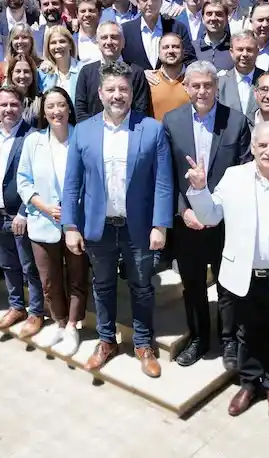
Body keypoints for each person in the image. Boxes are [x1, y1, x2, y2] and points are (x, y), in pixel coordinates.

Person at [186, 120, 269, 426]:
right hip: (242, 275)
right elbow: (209, 215)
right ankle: (248, 384)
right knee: (245, 333)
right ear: (253, 147)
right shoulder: (234, 177)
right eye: (263, 145)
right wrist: (198, 188)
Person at [61, 61, 173, 378]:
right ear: (100, 93)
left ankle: (142, 344)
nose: (117, 95)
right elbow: (72, 184)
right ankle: (106, 341)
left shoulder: (151, 129)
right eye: (110, 89)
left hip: (139, 227)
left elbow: (163, 182)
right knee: (104, 286)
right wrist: (71, 226)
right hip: (99, 228)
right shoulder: (83, 131)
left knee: (141, 286)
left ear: (131, 91)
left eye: (123, 88)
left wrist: (160, 225)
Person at [162, 61, 251, 368]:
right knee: (194, 285)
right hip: (187, 224)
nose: (201, 91)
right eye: (195, 85)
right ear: (186, 87)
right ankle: (199, 338)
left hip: (225, 224)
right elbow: (166, 175)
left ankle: (228, 343)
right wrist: (183, 210)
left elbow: (243, 176)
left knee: (227, 288)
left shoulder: (236, 122)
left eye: (207, 85)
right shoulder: (171, 122)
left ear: (216, 87)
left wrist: (218, 213)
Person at [17, 86, 88, 355]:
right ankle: (58, 322)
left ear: (69, 108)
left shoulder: (81, 138)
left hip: (75, 223)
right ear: (43, 112)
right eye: (50, 106)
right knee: (49, 279)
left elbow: (91, 179)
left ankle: (72, 325)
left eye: (61, 105)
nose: (56, 111)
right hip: (42, 220)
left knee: (77, 277)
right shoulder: (33, 141)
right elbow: (23, 181)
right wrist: (45, 206)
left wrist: (73, 209)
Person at [0, 87, 45, 337]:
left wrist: (25, 212)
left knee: (30, 267)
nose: (8, 110)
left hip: (21, 217)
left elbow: (39, 180)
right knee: (8, 266)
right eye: (3, 105)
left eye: (14, 105)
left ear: (22, 105)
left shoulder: (34, 137)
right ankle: (17, 306)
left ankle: (36, 312)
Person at [74, 21, 151, 121]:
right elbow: (80, 111)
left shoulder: (136, 72)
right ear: (97, 42)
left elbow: (141, 110)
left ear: (123, 42)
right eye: (104, 37)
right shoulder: (86, 72)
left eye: (114, 37)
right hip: (93, 134)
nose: (109, 42)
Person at [216, 31, 266, 121]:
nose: (244, 54)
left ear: (257, 52)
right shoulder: (220, 83)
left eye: (249, 49)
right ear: (231, 52)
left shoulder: (268, 81)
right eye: (240, 49)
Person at [39, 26, 81, 104]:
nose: (58, 46)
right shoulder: (43, 74)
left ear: (70, 45)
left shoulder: (83, 70)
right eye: (53, 43)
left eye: (62, 41)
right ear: (48, 47)